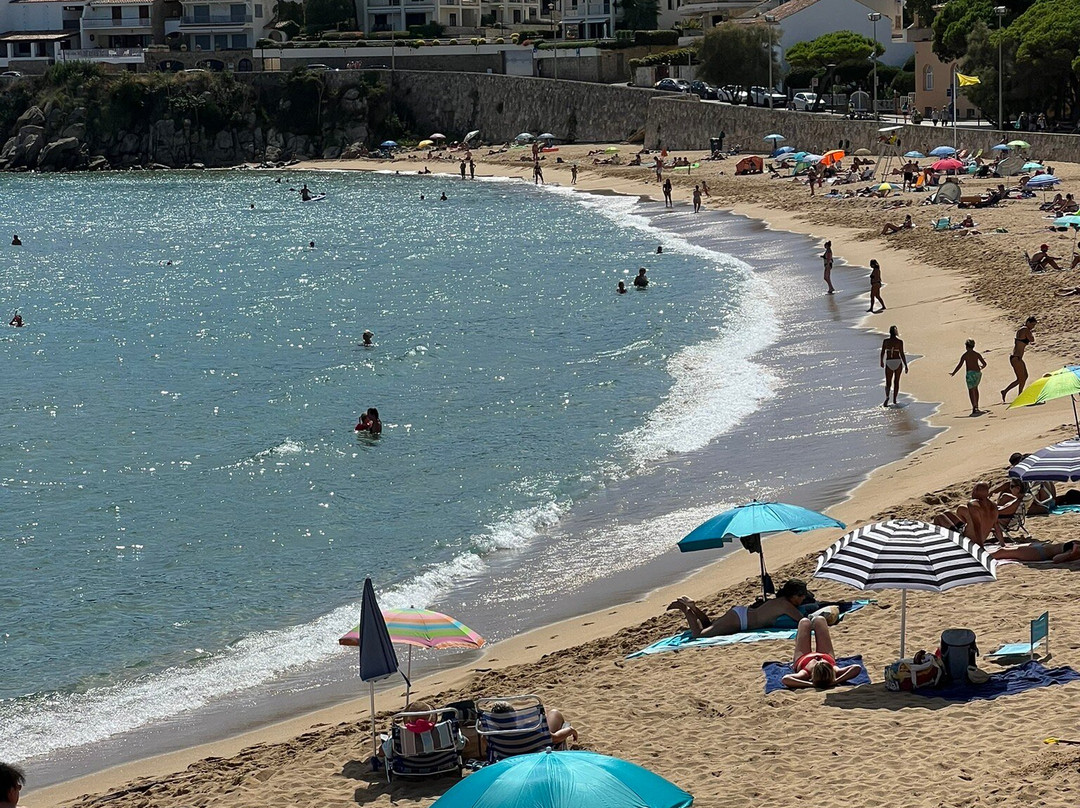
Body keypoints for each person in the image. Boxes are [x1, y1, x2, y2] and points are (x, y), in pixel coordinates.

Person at [667, 579, 813, 638]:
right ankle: (685, 609)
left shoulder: (781, 601)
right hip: (741, 621)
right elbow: (803, 622)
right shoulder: (786, 605)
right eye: (801, 596)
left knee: (709, 625)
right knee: (699, 635)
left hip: (740, 613)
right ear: (793, 595)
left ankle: (693, 607)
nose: (801, 600)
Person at [781, 616, 863, 690]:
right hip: (827, 655)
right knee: (820, 620)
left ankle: (809, 618)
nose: (819, 659)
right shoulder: (835, 670)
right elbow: (856, 667)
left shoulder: (805, 673)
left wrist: (811, 684)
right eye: (822, 662)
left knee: (804, 622)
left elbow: (786, 679)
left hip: (803, 658)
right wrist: (836, 681)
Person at [932, 482, 1003, 546]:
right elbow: (997, 526)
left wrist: (980, 547)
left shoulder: (973, 505)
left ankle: (938, 545)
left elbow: (977, 527)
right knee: (947, 513)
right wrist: (1002, 544)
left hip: (967, 540)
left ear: (976, 491)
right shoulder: (993, 506)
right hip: (975, 537)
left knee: (939, 517)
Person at [489, 700, 578, 745]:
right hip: (536, 760)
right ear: (515, 716)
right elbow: (556, 739)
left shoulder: (491, 737)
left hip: (509, 762)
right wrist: (570, 730)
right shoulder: (531, 730)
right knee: (554, 713)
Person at [1001, 316, 1037, 402]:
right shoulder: (1025, 330)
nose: (1033, 327)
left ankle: (1007, 392)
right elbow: (1032, 340)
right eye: (1032, 324)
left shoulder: (1023, 329)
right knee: (1021, 378)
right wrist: (1030, 334)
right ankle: (1019, 395)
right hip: (1016, 358)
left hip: (1017, 358)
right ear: (1028, 322)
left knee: (1024, 377)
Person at [950, 339, 987, 416]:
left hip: (970, 374)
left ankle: (974, 407)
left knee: (971, 390)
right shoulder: (977, 354)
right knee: (976, 388)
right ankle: (977, 405)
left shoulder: (965, 355)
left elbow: (960, 365)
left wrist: (954, 372)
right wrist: (981, 367)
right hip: (977, 373)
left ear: (966, 346)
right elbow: (984, 364)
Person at [880, 325, 908, 407]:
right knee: (896, 382)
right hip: (898, 362)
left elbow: (882, 352)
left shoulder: (886, 341)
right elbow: (902, 354)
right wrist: (906, 365)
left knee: (888, 383)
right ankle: (895, 400)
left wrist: (881, 361)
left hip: (889, 362)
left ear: (889, 332)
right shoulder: (900, 342)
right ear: (896, 333)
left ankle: (887, 397)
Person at [992, 540, 1080, 564]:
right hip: (1041, 547)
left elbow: (1056, 559)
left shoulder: (1077, 550)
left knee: (1001, 552)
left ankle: (979, 559)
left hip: (1039, 553)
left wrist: (1072, 554)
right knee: (1002, 551)